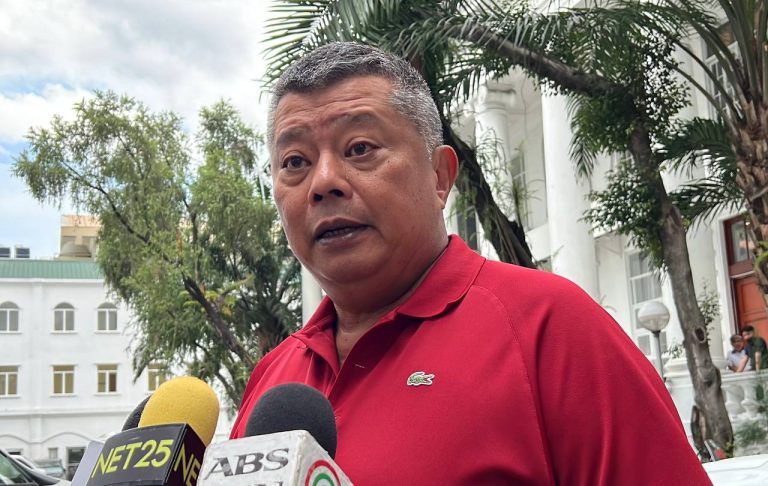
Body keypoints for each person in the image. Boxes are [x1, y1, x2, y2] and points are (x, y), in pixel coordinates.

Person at [230, 42, 710, 484]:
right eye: (295, 161)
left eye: (360, 149)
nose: (323, 182)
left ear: (440, 177)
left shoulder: (550, 328)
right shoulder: (273, 378)